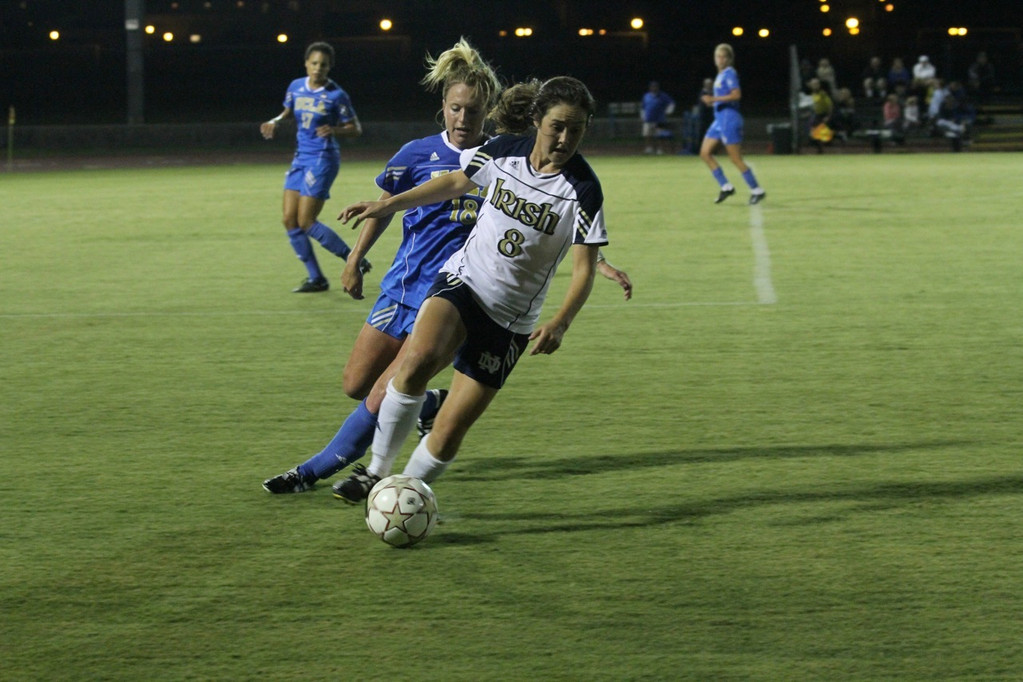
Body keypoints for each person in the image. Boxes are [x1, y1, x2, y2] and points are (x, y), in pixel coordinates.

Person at [261, 48, 632, 495]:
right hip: (420, 286)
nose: (462, 118)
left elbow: (561, 239)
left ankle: (337, 477)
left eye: (472, 110)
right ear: (443, 107)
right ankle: (410, 429)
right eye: (456, 108)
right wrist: (361, 248)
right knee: (358, 383)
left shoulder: (551, 173)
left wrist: (581, 289)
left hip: (482, 304)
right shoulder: (452, 154)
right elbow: (425, 193)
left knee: (405, 398)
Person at [330, 76, 610, 503]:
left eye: (577, 129)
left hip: (511, 319)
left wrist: (561, 322)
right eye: (557, 126)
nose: (565, 139)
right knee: (416, 362)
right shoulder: (502, 151)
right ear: (537, 120)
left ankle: (407, 494)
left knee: (450, 430)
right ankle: (375, 471)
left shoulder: (583, 189)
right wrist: (388, 203)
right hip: (464, 281)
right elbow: (456, 182)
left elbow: (584, 269)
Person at [260, 41, 369, 293]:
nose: (318, 68)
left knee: (306, 221)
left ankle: (355, 260)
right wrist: (275, 121)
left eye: (324, 65)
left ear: (329, 67)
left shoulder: (336, 95)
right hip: (301, 158)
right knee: (289, 220)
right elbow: (288, 111)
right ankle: (317, 279)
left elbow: (356, 129)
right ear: (306, 64)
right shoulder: (296, 87)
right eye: (314, 63)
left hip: (323, 159)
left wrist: (335, 130)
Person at [698, 43, 765, 205]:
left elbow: (736, 95)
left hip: (729, 119)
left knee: (735, 158)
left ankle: (757, 190)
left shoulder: (730, 73)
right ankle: (726, 186)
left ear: (729, 59)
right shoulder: (720, 75)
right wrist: (712, 102)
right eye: (717, 56)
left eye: (723, 57)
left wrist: (714, 99)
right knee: (705, 153)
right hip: (719, 119)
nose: (720, 60)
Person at [641, 81, 676, 155]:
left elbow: (671, 103)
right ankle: (649, 148)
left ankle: (660, 149)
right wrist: (642, 116)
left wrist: (668, 111)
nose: (654, 88)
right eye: (652, 86)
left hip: (659, 119)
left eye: (655, 86)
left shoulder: (663, 96)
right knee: (647, 135)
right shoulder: (646, 96)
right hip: (648, 119)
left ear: (658, 87)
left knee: (660, 135)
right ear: (650, 88)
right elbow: (643, 107)